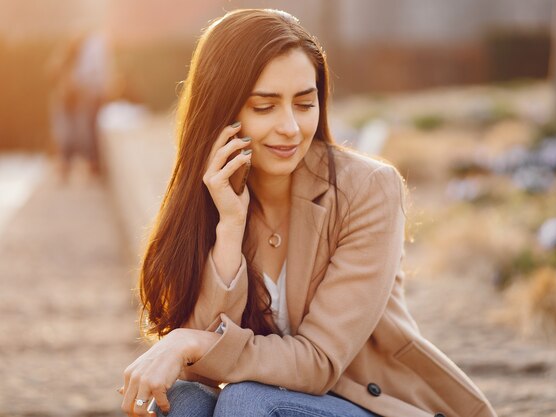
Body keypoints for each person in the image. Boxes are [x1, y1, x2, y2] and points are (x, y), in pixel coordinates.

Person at [120, 9, 497, 417]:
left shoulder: (368, 189)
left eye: (304, 103)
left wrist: (189, 343)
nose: (290, 127)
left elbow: (318, 363)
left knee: (245, 400)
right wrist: (230, 226)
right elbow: (204, 374)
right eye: (264, 107)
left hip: (372, 405)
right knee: (182, 402)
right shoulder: (212, 196)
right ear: (223, 113)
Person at [48, 31, 113, 181]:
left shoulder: (77, 60)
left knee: (78, 136)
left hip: (78, 102)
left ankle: (82, 166)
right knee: (71, 137)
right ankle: (75, 166)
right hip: (70, 103)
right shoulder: (68, 60)